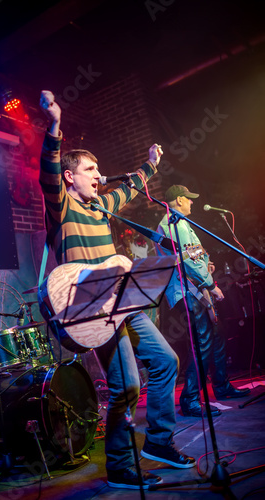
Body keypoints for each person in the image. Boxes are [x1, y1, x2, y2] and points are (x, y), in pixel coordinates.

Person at [37, 91, 195, 490]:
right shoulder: (62, 207)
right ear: (70, 176)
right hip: (94, 309)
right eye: (90, 169)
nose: (97, 174)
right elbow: (47, 174)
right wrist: (54, 127)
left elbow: (135, 185)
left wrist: (151, 164)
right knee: (127, 385)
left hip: (125, 300)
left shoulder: (101, 207)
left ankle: (158, 442)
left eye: (98, 169)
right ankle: (122, 467)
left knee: (165, 361)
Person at [156, 185, 251, 418]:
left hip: (195, 289)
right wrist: (210, 284)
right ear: (178, 200)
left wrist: (206, 263)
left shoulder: (181, 222)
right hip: (188, 291)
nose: (192, 203)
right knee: (202, 343)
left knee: (216, 336)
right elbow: (186, 263)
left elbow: (194, 254)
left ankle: (221, 386)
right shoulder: (173, 224)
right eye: (189, 199)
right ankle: (189, 399)